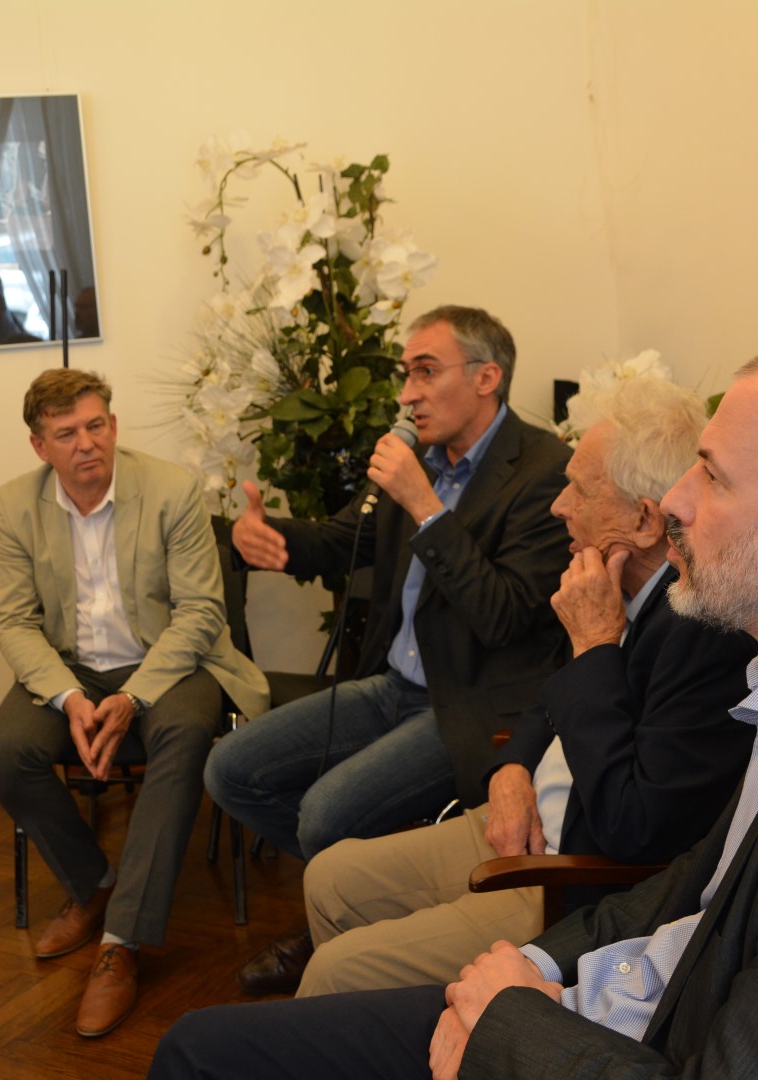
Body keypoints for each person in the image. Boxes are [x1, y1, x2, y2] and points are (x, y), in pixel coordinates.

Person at [151, 343, 758, 1079]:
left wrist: (512, 1021)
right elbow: (692, 888)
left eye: (712, 477)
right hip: (619, 1003)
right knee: (212, 1043)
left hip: (628, 1037)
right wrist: (539, 966)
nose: (673, 504)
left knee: (204, 1054)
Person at [297, 373, 758, 996]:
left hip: (569, 874)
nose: (558, 506)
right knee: (328, 876)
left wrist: (594, 646)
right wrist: (513, 767)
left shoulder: (701, 632)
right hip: (528, 813)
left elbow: (635, 827)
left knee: (337, 969)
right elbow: (551, 697)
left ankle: (410, 1027)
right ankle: (381, 1026)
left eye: (579, 490)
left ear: (645, 520)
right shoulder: (607, 581)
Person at [205, 305, 572, 994]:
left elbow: (502, 615)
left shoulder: (545, 470)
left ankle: (342, 925)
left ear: (487, 377)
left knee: (325, 815)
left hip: (468, 704)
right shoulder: (422, 461)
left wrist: (426, 505)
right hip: (391, 684)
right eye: (407, 375)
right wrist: (269, 538)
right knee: (232, 770)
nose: (407, 394)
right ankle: (364, 903)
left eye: (425, 373)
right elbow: (348, 539)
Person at [0, 369, 268, 1038]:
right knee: (5, 752)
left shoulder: (170, 489)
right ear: (39, 446)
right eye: (66, 434)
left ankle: (121, 941)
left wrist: (133, 696)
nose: (86, 444)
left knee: (184, 734)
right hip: (71, 666)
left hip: (167, 661)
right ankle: (94, 885)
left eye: (96, 425)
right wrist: (68, 697)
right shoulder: (14, 504)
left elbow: (200, 612)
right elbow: (13, 621)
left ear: (112, 426)